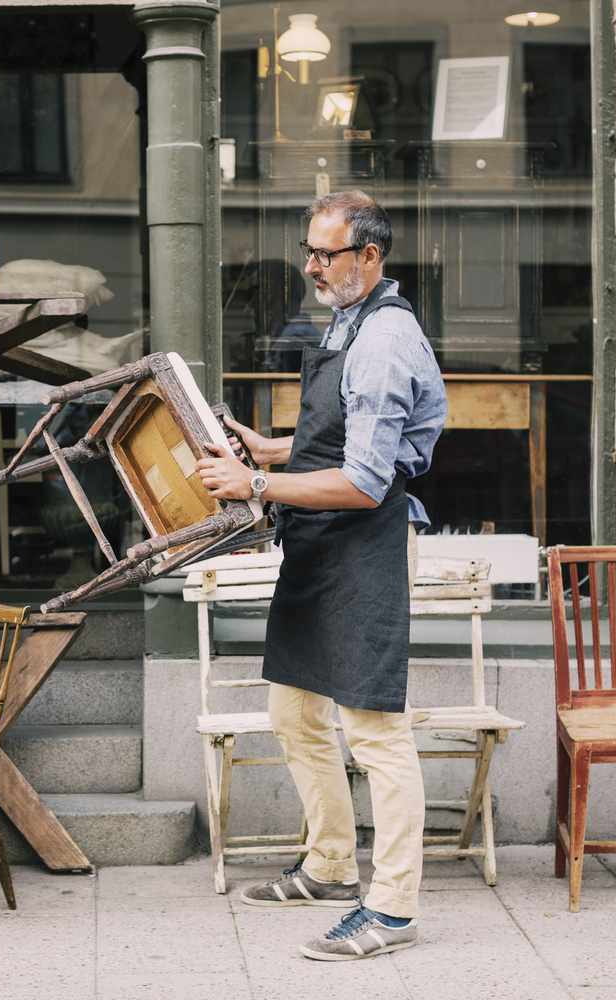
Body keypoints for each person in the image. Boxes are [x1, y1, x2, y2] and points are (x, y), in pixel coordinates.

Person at [196, 190, 447, 961]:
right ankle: (332, 866)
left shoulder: (382, 341)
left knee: (375, 730)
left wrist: (255, 484)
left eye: (324, 253)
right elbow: (340, 438)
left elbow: (366, 481)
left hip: (364, 542)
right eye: (308, 251)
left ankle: (392, 910)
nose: (310, 266)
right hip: (319, 544)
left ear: (368, 256)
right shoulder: (348, 318)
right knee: (295, 713)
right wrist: (269, 449)